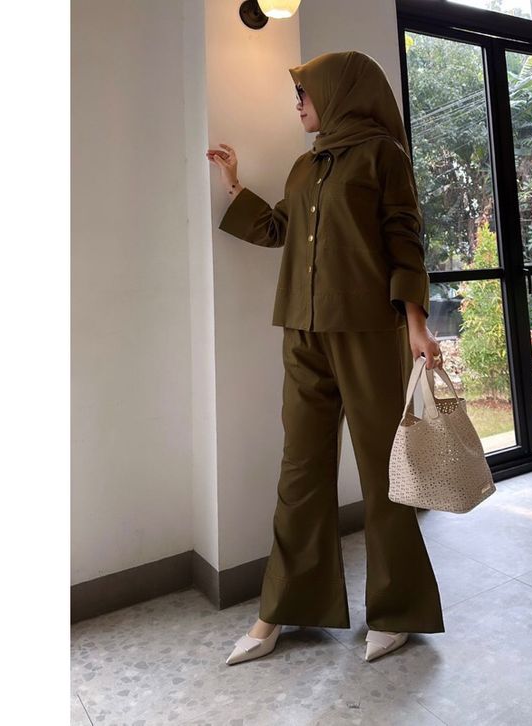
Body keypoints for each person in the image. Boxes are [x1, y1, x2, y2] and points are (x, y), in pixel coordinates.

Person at [208, 50, 445, 666]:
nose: (298, 104)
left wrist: (416, 324)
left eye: (305, 92)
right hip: (302, 332)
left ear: (340, 92)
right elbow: (279, 230)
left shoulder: (383, 156)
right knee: (300, 471)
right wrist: (234, 185)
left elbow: (404, 238)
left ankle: (397, 608)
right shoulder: (304, 166)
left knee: (382, 471)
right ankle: (283, 606)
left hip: (367, 331)